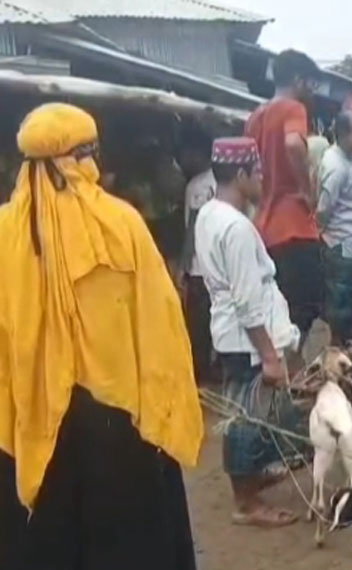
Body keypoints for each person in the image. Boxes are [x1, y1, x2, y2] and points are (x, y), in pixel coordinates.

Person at [0, 103, 202, 569]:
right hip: (119, 426)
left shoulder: (8, 233)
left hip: (33, 428)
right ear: (81, 156)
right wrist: (167, 404)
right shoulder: (121, 224)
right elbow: (160, 327)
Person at [193, 137, 306, 529]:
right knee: (246, 419)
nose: (262, 179)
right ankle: (246, 502)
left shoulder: (210, 213)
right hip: (246, 340)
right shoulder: (236, 227)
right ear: (240, 175)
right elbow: (246, 299)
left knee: (249, 413)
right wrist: (271, 355)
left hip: (232, 335)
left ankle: (252, 479)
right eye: (257, 172)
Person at [245, 49, 324, 343]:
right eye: (309, 84)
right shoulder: (293, 109)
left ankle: (282, 380)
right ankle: (294, 379)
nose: (310, 91)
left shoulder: (255, 116)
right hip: (294, 227)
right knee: (301, 316)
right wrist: (306, 188)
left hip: (263, 228)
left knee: (275, 315)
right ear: (297, 80)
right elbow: (293, 143)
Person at [318, 112, 352, 343]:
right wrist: (327, 235)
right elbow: (323, 209)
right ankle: (338, 349)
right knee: (342, 303)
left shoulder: (345, 157)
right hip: (343, 244)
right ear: (341, 135)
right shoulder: (336, 167)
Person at [177, 127, 217, 384]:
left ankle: (199, 377)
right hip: (219, 266)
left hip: (200, 268)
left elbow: (193, 227)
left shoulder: (197, 186)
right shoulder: (221, 181)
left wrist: (183, 264)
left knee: (198, 327)